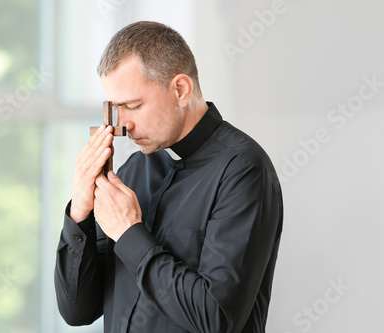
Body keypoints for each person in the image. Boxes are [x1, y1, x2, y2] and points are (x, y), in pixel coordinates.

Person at [54, 21, 283, 333]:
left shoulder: (243, 171)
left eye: (132, 106)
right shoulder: (134, 170)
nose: (123, 125)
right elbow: (77, 311)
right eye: (114, 108)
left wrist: (129, 233)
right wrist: (79, 213)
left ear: (180, 90)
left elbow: (216, 320)